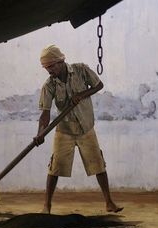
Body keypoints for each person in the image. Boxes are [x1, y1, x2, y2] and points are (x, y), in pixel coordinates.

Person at [34, 44, 122, 214]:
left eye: (51, 66)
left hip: (86, 129)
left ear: (61, 61)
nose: (49, 70)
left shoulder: (81, 70)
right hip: (64, 131)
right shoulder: (49, 85)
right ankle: (47, 205)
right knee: (55, 168)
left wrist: (82, 95)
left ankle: (109, 202)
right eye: (46, 68)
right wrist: (40, 133)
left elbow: (99, 85)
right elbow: (45, 113)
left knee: (98, 165)